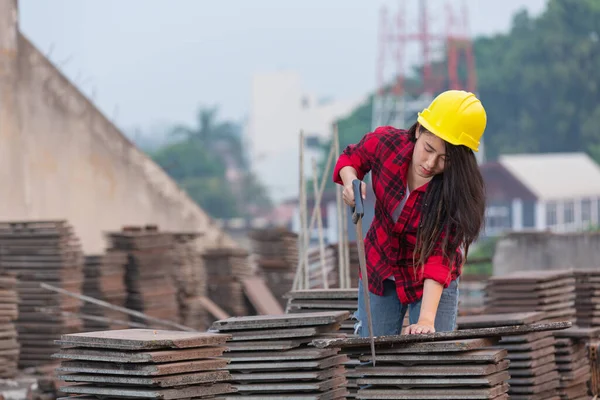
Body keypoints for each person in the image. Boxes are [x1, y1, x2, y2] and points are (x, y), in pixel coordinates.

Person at [332, 90, 487, 336]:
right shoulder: (386, 144)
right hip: (380, 267)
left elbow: (439, 257)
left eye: (444, 159)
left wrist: (426, 320)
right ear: (418, 130)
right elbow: (352, 157)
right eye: (428, 149)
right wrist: (351, 180)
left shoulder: (457, 194)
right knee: (372, 361)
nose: (430, 163)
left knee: (434, 356)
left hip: (432, 280)